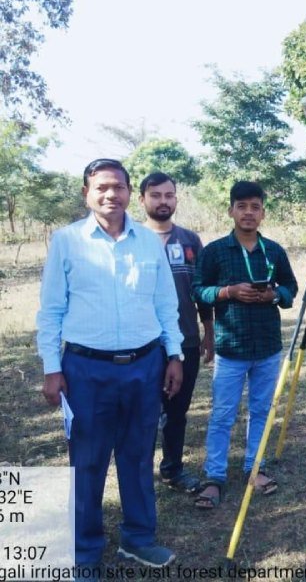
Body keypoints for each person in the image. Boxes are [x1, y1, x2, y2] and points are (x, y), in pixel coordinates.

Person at [36, 159, 184, 576]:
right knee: (87, 460)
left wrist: (174, 355)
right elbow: (51, 309)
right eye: (101, 187)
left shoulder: (148, 242)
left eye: (118, 186)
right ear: (87, 193)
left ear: (129, 192)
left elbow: (165, 304)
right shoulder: (67, 241)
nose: (110, 194)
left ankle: (138, 537)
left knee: (138, 455)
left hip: (144, 365)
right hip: (86, 369)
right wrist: (52, 368)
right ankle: (84, 553)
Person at [192, 181, 298, 509]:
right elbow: (198, 290)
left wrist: (274, 295)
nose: (248, 213)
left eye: (255, 207)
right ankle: (214, 476)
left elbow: (291, 288)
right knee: (223, 414)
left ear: (263, 213)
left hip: (267, 346)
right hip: (230, 348)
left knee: (262, 410)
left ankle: (256, 468)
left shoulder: (274, 251)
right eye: (242, 207)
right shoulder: (214, 251)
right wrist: (228, 292)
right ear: (231, 211)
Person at [140, 171, 214, 493]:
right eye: (155, 195)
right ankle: (139, 473)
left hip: (185, 340)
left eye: (168, 195)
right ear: (142, 199)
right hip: (142, 344)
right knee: (142, 412)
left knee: (176, 410)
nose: (163, 201)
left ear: (176, 199)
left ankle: (172, 470)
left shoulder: (190, 240)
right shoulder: (133, 240)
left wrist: (208, 332)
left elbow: (201, 290)